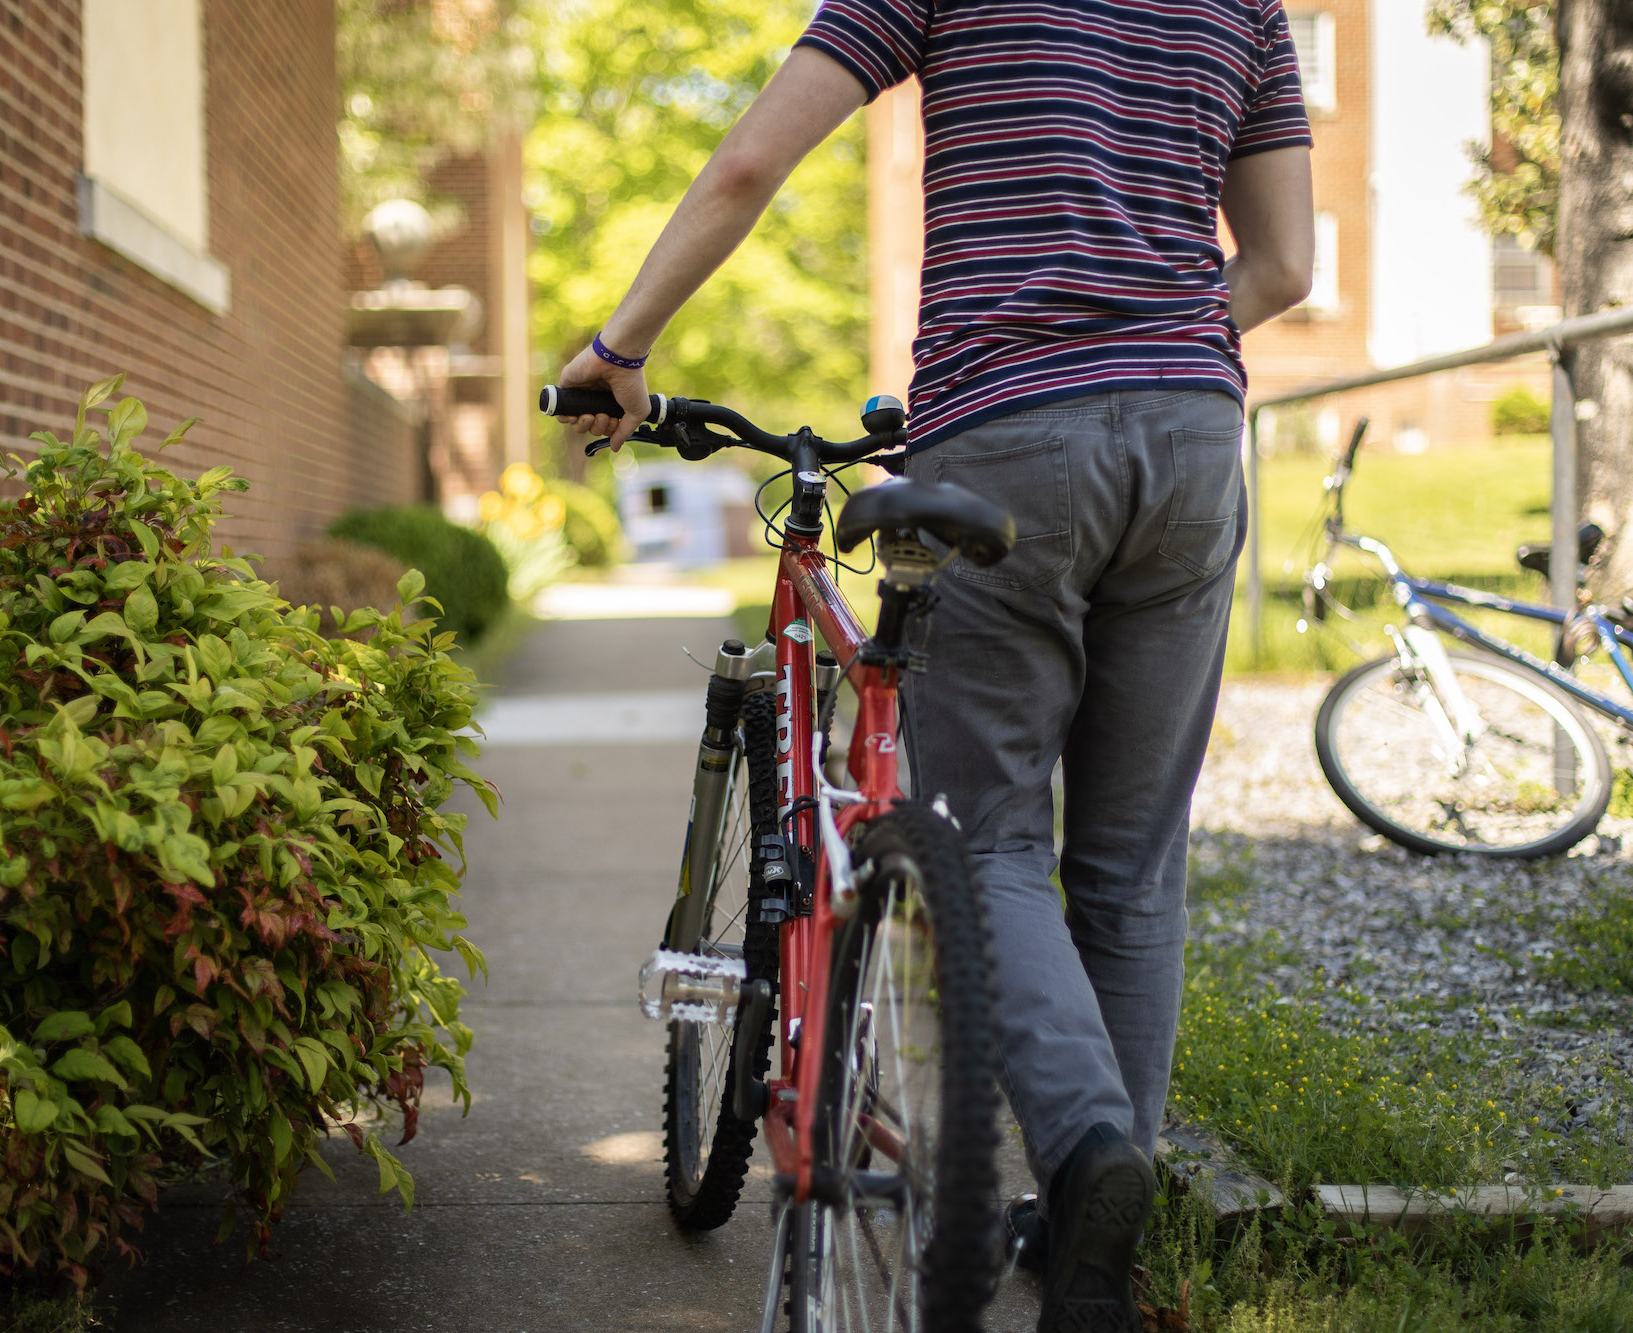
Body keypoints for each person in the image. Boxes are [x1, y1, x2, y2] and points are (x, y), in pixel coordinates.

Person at [557, 4, 1314, 1329]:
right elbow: (1288, 264)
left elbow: (749, 162)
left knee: (990, 839)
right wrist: (1162, 347)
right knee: (1133, 861)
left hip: (1010, 431)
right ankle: (1096, 1263)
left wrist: (620, 349)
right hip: (1196, 441)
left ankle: (1086, 1153)